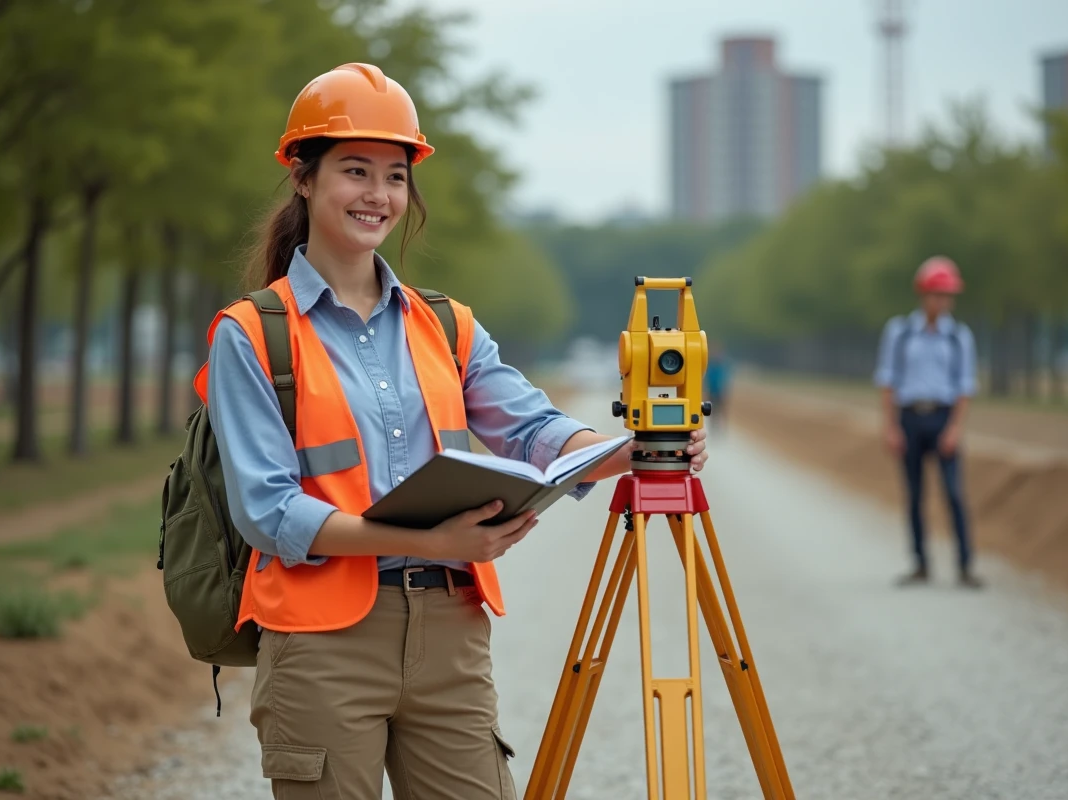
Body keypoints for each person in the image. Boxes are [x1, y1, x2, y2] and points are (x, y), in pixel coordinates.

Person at [197, 63, 708, 800]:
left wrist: (629, 452)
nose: (378, 195)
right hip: (321, 643)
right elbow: (269, 512)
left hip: (450, 632)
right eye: (356, 171)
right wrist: (425, 542)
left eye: (396, 176)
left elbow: (534, 430)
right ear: (303, 179)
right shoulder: (250, 335)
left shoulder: (445, 325)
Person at [873, 256, 981, 589]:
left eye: (947, 295)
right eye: (937, 294)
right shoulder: (900, 333)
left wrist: (954, 428)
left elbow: (965, 386)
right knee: (914, 494)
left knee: (953, 492)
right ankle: (920, 563)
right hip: (909, 418)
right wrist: (891, 427)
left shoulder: (959, 337)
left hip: (943, 418)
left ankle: (965, 565)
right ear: (923, 294)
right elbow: (888, 381)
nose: (942, 301)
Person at [703, 343, 732, 433]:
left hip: (720, 391)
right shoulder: (711, 366)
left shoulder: (722, 366)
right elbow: (707, 379)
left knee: (722, 409)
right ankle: (713, 426)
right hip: (712, 391)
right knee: (713, 410)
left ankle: (723, 427)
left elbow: (725, 380)